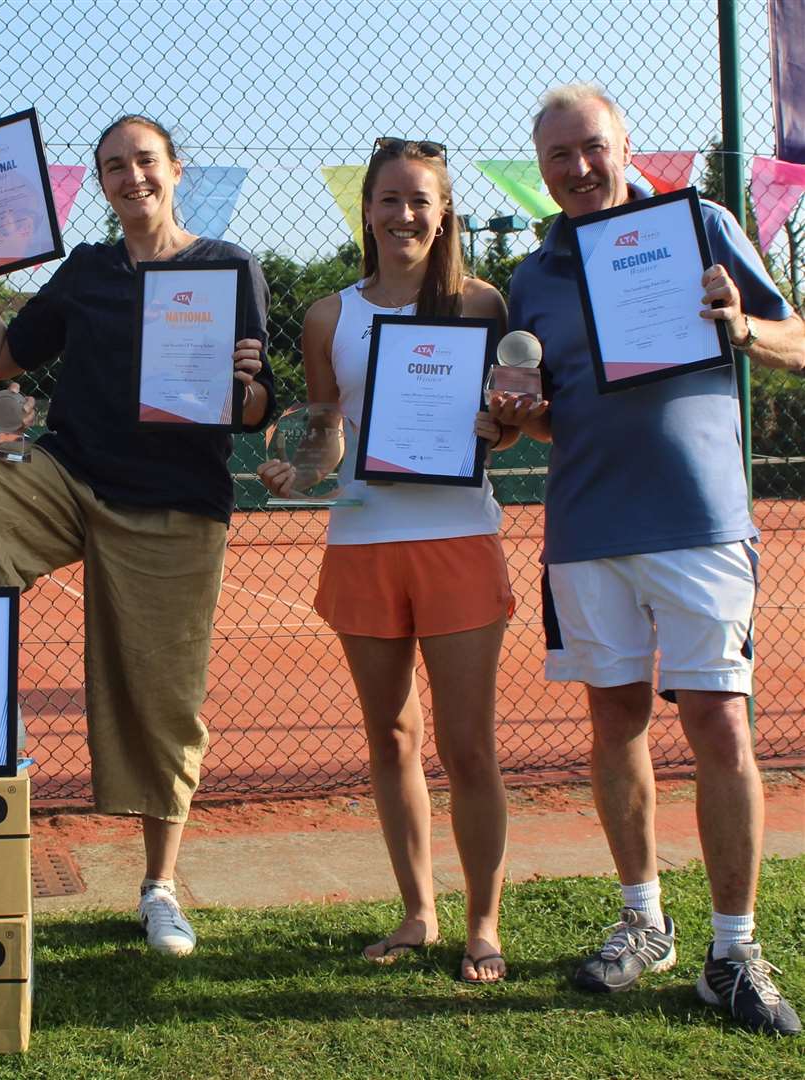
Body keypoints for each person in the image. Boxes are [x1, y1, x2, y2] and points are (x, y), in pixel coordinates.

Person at [493, 83, 805, 1034]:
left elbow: (799, 340)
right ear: (540, 170)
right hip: (589, 527)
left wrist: (742, 326)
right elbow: (549, 413)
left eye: (591, 147)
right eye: (558, 157)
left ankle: (734, 949)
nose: (579, 169)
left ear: (625, 143)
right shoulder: (534, 274)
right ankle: (644, 922)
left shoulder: (701, 224)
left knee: (719, 723)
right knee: (615, 723)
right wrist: (519, 416)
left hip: (700, 521)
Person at [0, 115, 273, 957]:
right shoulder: (86, 268)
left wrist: (247, 387)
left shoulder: (227, 266)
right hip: (68, 480)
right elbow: (5, 357)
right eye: (114, 166)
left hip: (174, 501)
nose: (131, 177)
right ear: (102, 180)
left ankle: (158, 886)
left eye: (144, 161)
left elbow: (261, 410)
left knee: (163, 700)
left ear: (175, 169)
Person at [258, 139, 514, 982]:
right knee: (391, 737)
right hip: (364, 540)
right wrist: (300, 472)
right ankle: (417, 911)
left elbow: (506, 420)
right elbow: (327, 433)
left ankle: (483, 923)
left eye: (421, 200)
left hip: (457, 539)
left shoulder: (481, 306)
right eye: (389, 200)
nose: (405, 215)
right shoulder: (331, 316)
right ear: (365, 210)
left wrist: (500, 427)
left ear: (445, 215)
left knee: (468, 745)